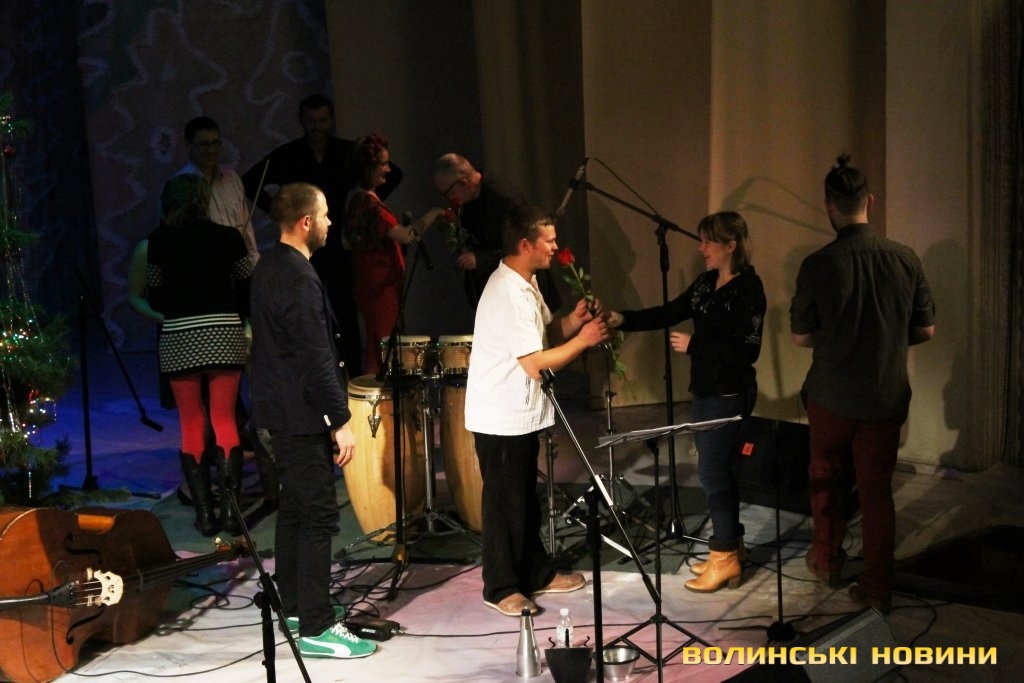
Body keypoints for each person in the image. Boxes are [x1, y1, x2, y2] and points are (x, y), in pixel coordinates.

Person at [790, 154, 935, 614]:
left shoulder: (817, 265)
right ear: (869, 201)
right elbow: (926, 329)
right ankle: (877, 589)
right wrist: (886, 337)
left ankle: (827, 561)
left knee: (825, 479)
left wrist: (837, 337)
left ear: (829, 206)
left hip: (831, 395)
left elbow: (800, 336)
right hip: (884, 396)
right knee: (876, 493)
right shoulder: (905, 259)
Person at [606, 211, 766, 593]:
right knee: (719, 471)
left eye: (708, 242)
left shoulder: (748, 288)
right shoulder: (706, 283)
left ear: (730, 246)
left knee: (712, 473)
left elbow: (748, 351)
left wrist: (697, 345)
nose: (701, 249)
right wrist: (622, 318)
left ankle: (723, 556)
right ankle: (732, 549)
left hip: (730, 393)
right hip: (707, 391)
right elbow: (670, 312)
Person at [248, 182, 376, 659]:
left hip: (279, 411)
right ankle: (318, 627)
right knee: (319, 514)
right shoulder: (298, 276)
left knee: (297, 511)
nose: (329, 222)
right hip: (300, 416)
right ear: (305, 222)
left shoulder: (269, 265)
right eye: (323, 215)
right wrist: (338, 420)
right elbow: (313, 356)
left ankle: (299, 607)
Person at [465, 203, 610, 617]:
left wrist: (573, 322)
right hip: (501, 415)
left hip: (519, 413)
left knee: (523, 499)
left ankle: (535, 572)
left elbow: (543, 335)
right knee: (503, 503)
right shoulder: (508, 293)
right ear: (525, 245)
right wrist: (583, 341)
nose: (555, 247)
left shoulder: (525, 283)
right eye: (548, 241)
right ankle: (500, 586)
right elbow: (534, 364)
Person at [127, 174, 253, 536]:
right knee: (225, 420)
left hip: (180, 338)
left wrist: (171, 315)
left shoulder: (156, 243)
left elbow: (155, 295)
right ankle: (232, 515)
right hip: (224, 333)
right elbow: (247, 287)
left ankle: (205, 515)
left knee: (191, 423)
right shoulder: (229, 238)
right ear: (204, 201)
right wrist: (244, 325)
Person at [243, 94, 403, 377]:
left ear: (331, 121)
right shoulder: (289, 153)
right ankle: (314, 373)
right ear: (302, 121)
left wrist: (364, 210)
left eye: (322, 120)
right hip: (307, 243)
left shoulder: (346, 150)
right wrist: (281, 214)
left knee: (345, 311)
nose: (317, 126)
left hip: (340, 241)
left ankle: (353, 375)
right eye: (311, 120)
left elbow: (394, 174)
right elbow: (250, 182)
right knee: (306, 308)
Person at [343, 134, 442, 374]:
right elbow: (407, 236)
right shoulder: (368, 205)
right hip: (379, 288)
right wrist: (436, 213)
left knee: (382, 344)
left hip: (377, 286)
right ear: (367, 168)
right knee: (383, 346)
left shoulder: (359, 199)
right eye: (383, 164)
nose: (387, 169)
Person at [432, 153, 560, 312]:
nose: (448, 200)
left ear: (463, 183)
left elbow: (524, 248)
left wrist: (480, 259)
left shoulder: (504, 199)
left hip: (524, 292)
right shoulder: (469, 201)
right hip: (500, 292)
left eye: (448, 194)